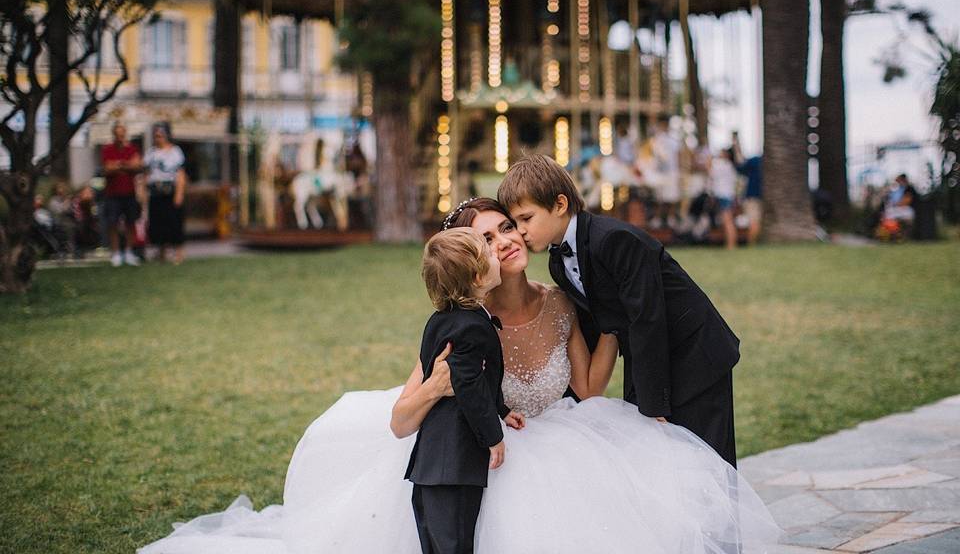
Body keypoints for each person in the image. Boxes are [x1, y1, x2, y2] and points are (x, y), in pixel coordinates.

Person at [139, 197, 779, 554]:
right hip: (483, 457)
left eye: (508, 228)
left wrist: (609, 320)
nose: (504, 242)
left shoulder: (560, 300)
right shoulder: (461, 320)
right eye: (486, 237)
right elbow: (399, 419)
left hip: (560, 440)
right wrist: (440, 387)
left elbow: (587, 390)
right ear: (467, 255)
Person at [498, 154, 741, 466]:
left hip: (695, 353)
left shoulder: (614, 240)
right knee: (664, 460)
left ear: (559, 205)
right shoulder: (558, 263)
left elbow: (647, 318)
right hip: (650, 355)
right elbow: (595, 326)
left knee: (708, 461)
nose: (520, 231)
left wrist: (653, 405)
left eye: (526, 219)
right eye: (515, 222)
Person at [407, 227, 521, 554]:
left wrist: (501, 410)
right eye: (488, 252)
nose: (495, 253)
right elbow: (468, 385)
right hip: (454, 464)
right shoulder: (472, 327)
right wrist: (493, 436)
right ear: (477, 276)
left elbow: (481, 379)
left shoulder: (440, 320)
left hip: (432, 461)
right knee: (455, 545)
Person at [144, 123, 187, 264]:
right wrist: (143, 191)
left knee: (174, 222)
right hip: (155, 192)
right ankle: (161, 252)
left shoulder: (175, 151)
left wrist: (179, 193)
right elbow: (146, 173)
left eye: (160, 135)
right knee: (158, 222)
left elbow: (180, 173)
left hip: (170, 190)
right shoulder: (151, 153)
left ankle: (178, 253)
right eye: (156, 136)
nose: (158, 138)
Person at [101, 122, 142, 267]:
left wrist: (117, 165)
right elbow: (107, 168)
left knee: (131, 222)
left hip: (129, 192)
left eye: (122, 134)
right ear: (114, 135)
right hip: (112, 194)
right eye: (117, 134)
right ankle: (116, 253)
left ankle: (129, 252)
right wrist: (125, 165)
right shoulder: (107, 149)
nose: (120, 137)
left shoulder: (132, 149)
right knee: (113, 223)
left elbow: (137, 165)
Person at [733, 138, 762, 246]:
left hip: (752, 196)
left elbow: (740, 168)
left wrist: (736, 150)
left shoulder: (755, 161)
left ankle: (751, 244)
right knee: (756, 221)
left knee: (753, 221)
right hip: (760, 197)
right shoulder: (764, 162)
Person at [710, 148, 739, 250]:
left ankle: (731, 245)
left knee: (727, 221)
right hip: (729, 195)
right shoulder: (731, 166)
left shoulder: (721, 166)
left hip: (723, 195)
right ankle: (730, 243)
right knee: (728, 220)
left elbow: (710, 172)